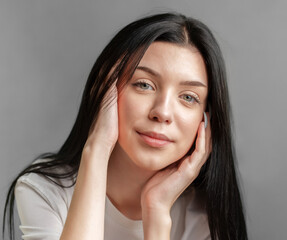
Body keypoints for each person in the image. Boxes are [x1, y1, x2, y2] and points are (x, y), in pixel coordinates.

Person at [3, 12, 247, 240]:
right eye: (144, 84)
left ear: (206, 122)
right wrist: (97, 148)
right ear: (105, 90)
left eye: (189, 97)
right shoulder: (46, 191)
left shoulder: (205, 217)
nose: (162, 112)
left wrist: (157, 213)